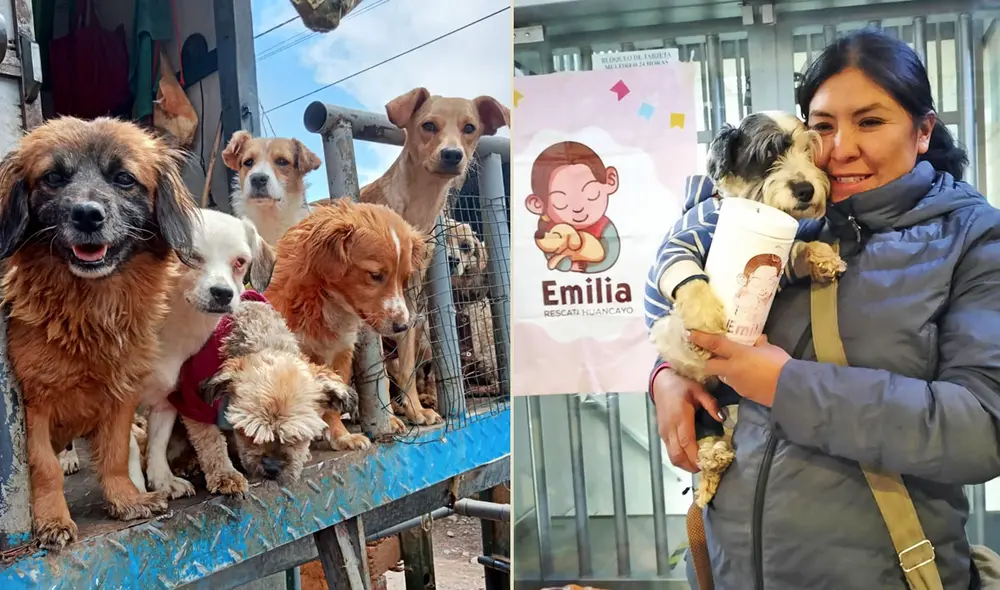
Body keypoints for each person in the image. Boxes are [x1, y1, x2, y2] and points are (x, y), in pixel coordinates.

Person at [647, 29, 1000, 589]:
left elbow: (981, 429)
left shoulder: (974, 239)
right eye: (822, 126)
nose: (839, 150)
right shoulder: (779, 221)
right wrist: (666, 377)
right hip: (736, 566)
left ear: (924, 129)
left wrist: (784, 384)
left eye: (871, 121)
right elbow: (700, 304)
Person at [525, 141, 622, 273]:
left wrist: (586, 267)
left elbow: (611, 255)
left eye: (592, 194)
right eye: (561, 202)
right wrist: (568, 266)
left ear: (610, 180)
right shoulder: (551, 230)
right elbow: (551, 254)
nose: (578, 208)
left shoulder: (604, 226)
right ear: (538, 204)